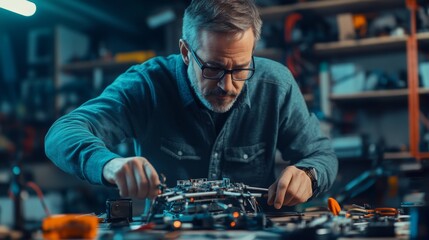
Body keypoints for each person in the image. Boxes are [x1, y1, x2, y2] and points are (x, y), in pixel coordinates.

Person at [45, 0, 338, 209]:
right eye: (213, 68)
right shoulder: (147, 85)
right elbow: (62, 133)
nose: (227, 85)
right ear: (186, 52)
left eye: (240, 69)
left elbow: (322, 155)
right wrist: (109, 164)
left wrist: (309, 176)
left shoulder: (276, 84)